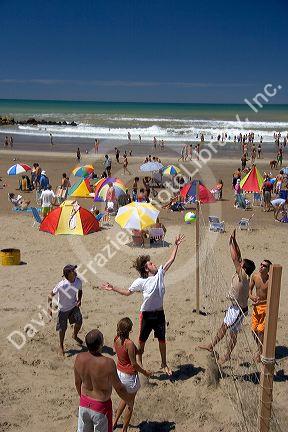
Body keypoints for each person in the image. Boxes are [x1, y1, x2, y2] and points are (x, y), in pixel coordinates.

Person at [101, 234, 185, 375]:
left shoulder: (160, 274)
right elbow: (128, 292)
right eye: (151, 264)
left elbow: (171, 260)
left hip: (159, 314)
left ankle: (164, 363)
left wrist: (176, 245)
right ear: (146, 269)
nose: (154, 264)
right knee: (141, 342)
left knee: (162, 340)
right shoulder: (140, 281)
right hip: (146, 314)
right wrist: (113, 287)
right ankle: (140, 364)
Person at [199, 230, 255, 364]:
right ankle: (212, 345)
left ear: (243, 268)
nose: (239, 263)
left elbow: (235, 258)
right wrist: (234, 241)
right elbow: (239, 256)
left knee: (230, 332)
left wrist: (229, 243)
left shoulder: (243, 276)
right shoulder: (243, 272)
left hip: (239, 311)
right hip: (233, 307)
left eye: (242, 264)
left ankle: (227, 354)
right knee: (224, 327)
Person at [74, 329, 132, 432]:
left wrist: (83, 398)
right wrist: (128, 401)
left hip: (84, 403)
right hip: (101, 407)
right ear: (101, 344)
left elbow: (77, 382)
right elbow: (119, 387)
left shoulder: (79, 358)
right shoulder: (108, 363)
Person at [113, 318, 152, 431]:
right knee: (130, 404)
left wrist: (139, 348)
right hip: (129, 377)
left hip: (119, 373)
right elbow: (134, 364)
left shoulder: (116, 339)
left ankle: (114, 422)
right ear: (129, 330)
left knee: (125, 398)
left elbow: (136, 352)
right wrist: (145, 372)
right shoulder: (129, 344)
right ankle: (124, 429)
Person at [48, 264, 83, 356]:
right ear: (68, 274)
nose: (75, 272)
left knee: (79, 322)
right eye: (73, 271)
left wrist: (79, 300)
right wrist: (49, 309)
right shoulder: (61, 285)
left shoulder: (78, 281)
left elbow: (80, 290)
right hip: (63, 310)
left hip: (74, 307)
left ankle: (74, 335)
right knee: (62, 329)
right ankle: (61, 345)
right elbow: (50, 295)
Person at [249, 260, 272, 362]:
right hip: (256, 307)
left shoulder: (270, 280)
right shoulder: (255, 276)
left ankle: (260, 352)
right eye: (261, 264)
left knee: (260, 331)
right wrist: (252, 297)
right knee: (253, 330)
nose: (261, 267)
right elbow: (249, 291)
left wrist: (261, 302)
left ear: (268, 270)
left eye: (264, 266)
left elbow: (273, 297)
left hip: (265, 307)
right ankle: (261, 347)